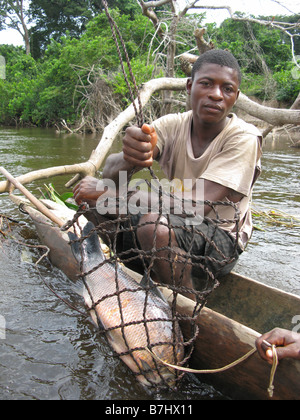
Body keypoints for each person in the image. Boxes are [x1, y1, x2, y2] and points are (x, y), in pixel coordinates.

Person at [73, 49, 262, 297]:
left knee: (154, 225)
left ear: (235, 97)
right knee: (93, 202)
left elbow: (195, 208)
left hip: (221, 241)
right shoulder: (172, 124)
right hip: (177, 226)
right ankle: (142, 273)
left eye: (227, 89)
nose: (216, 95)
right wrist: (129, 157)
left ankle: (184, 305)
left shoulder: (244, 138)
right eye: (206, 84)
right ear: (189, 86)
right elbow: (110, 175)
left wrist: (116, 194)